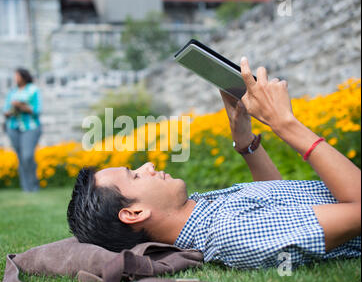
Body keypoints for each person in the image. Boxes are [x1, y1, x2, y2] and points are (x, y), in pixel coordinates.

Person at [67, 57, 361, 269]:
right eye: (134, 176)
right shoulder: (230, 232)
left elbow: (278, 201)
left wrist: (245, 142)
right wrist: (284, 123)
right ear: (134, 213)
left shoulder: (201, 212)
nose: (148, 166)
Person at [3, 68, 42, 192]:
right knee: (20, 158)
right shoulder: (12, 92)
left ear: (24, 77)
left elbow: (37, 110)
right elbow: (5, 110)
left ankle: (34, 186)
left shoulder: (33, 90)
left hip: (30, 127)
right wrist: (11, 110)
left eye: (17, 76)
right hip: (13, 128)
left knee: (27, 156)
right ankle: (26, 188)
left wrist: (21, 106)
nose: (15, 78)